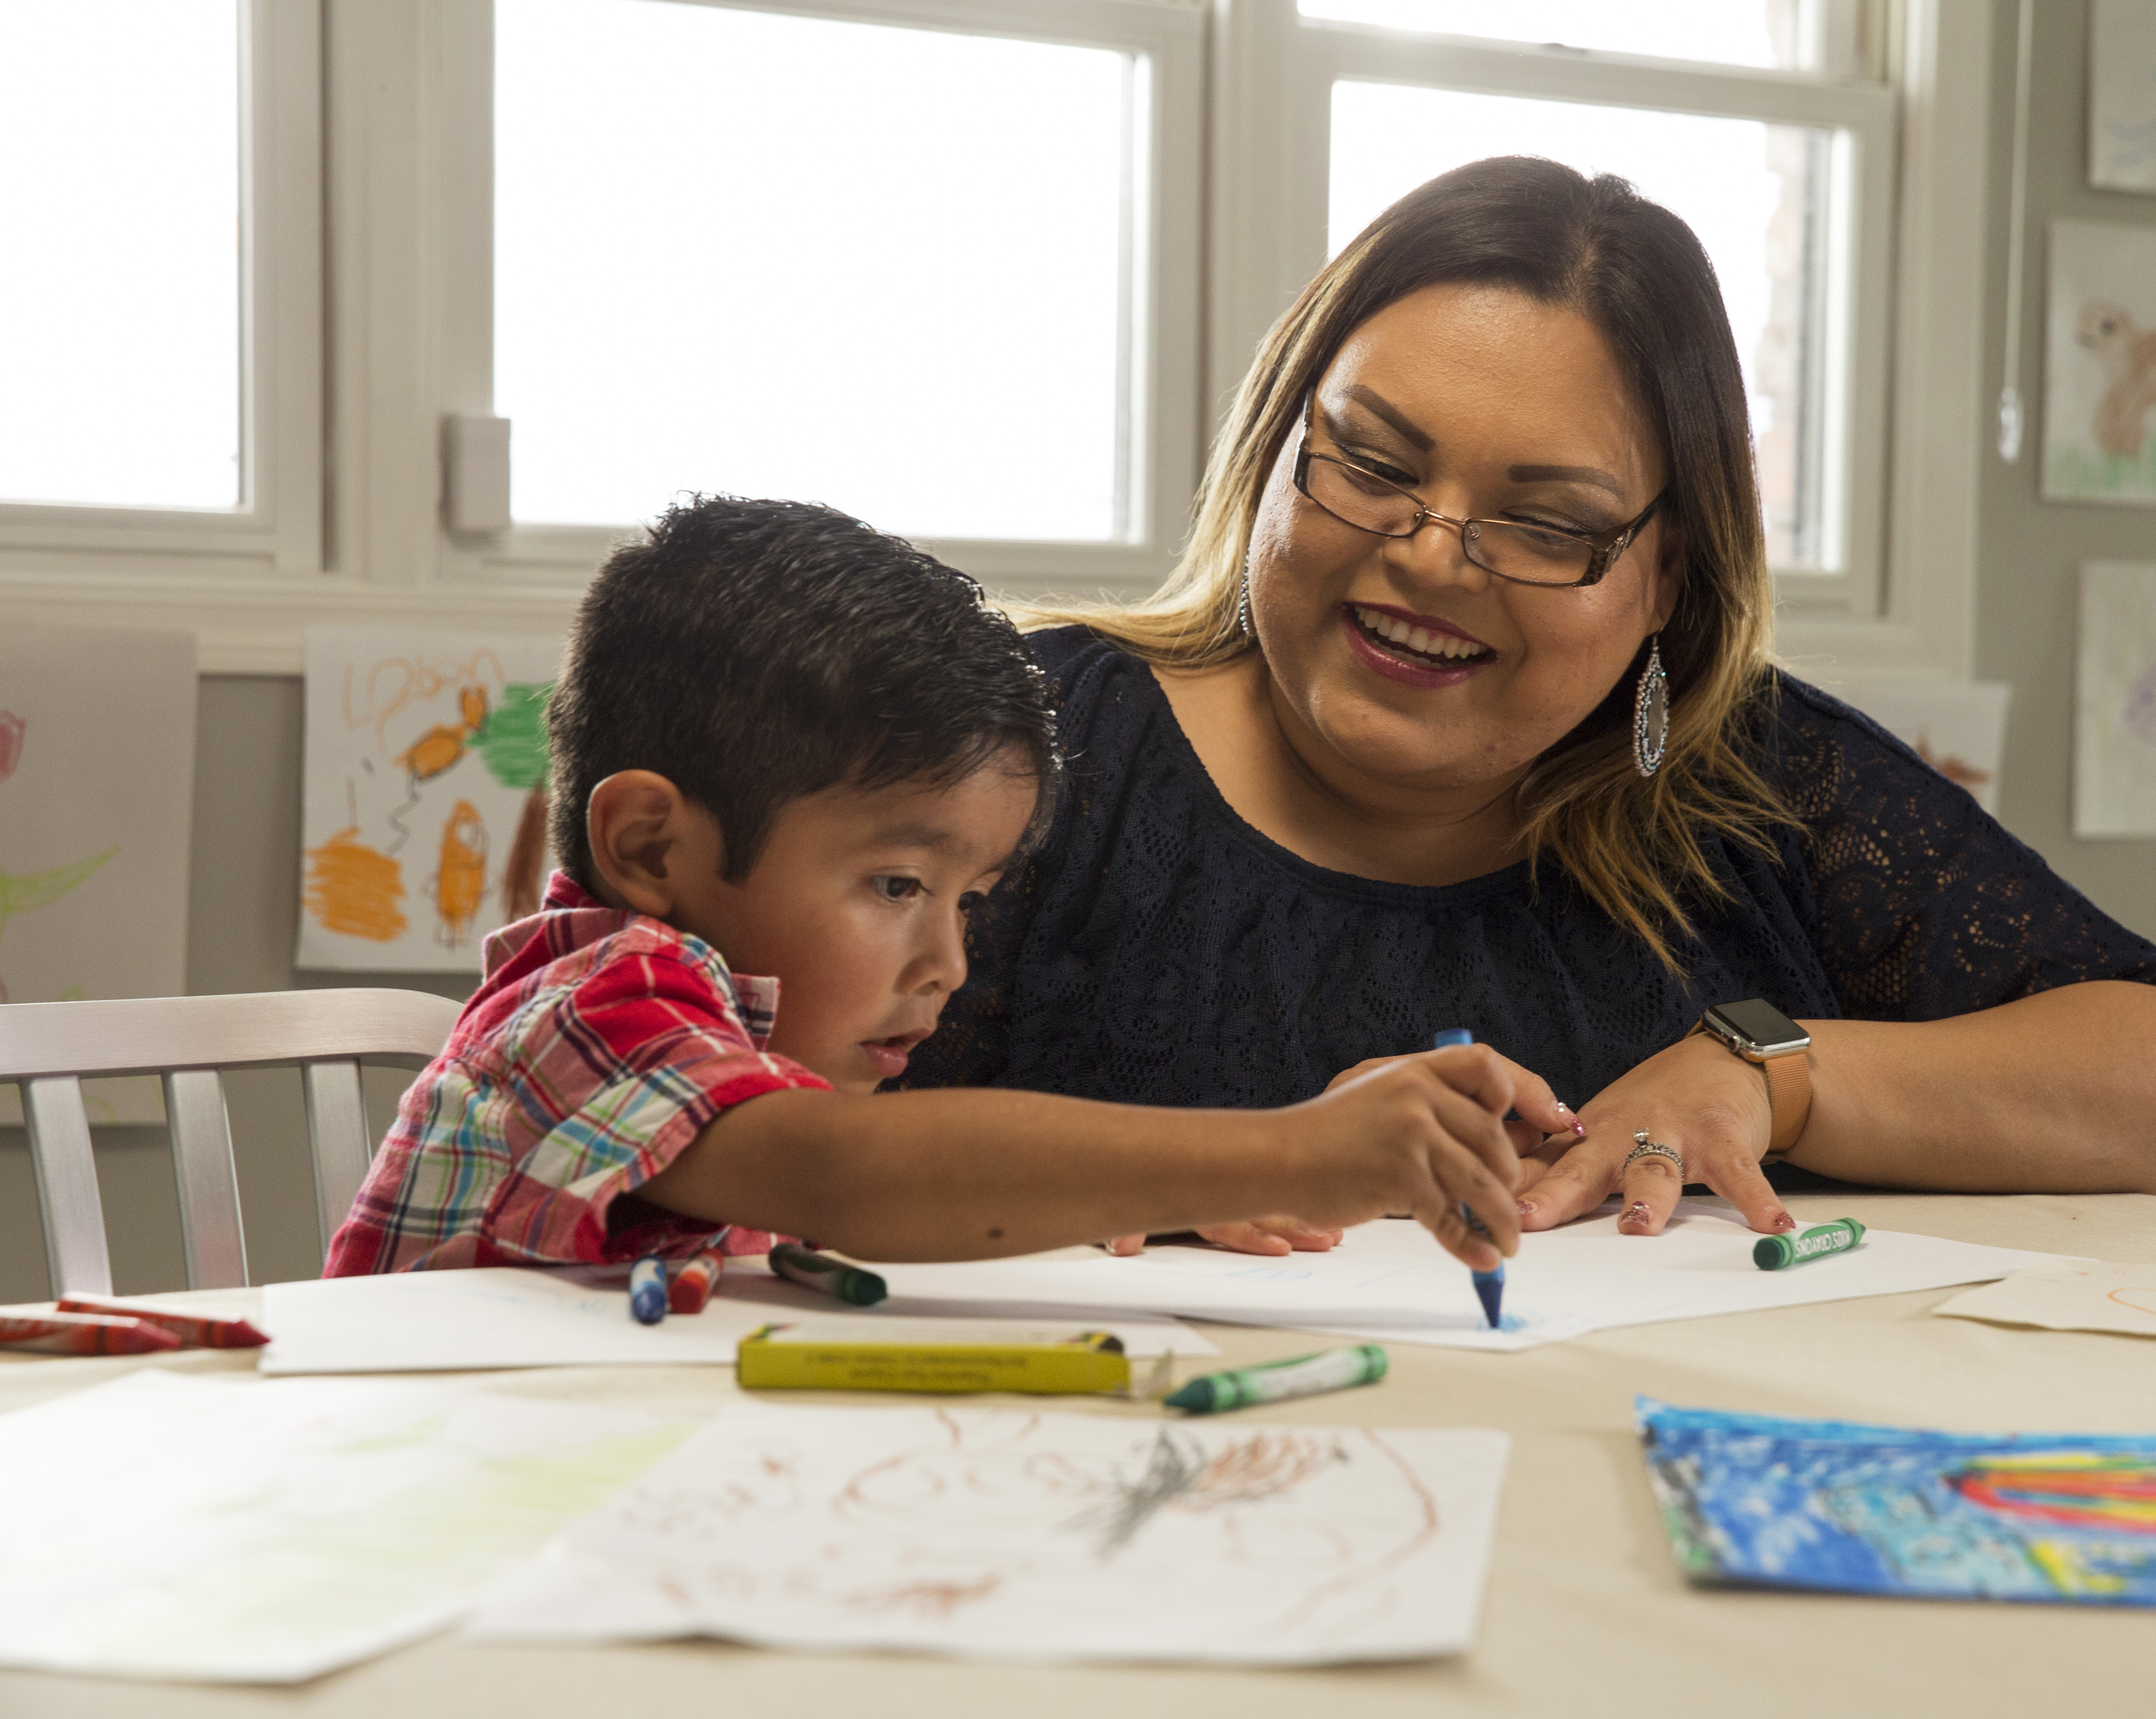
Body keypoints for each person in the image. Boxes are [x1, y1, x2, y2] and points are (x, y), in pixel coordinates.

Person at [906, 158, 2156, 1252]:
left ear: (1671, 576)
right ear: (1277, 444)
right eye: (1374, 463)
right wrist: (1151, 1174)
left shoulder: (1759, 784)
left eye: (1549, 523)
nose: (1433, 555)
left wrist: (1764, 1072)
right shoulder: (1024, 755)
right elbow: (727, 1116)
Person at [325, 497, 1549, 1277]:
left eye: (970, 901)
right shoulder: (595, 1008)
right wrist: (1284, 1155)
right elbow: (842, 1179)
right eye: (899, 882)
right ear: (652, 849)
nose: (948, 964)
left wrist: (1155, 1197)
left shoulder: (737, 1038)